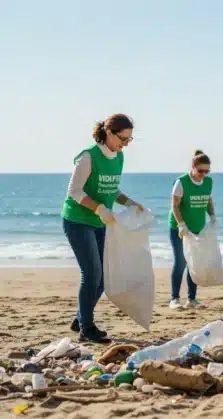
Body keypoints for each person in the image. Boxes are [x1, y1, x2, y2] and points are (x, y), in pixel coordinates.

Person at [62, 114, 144, 344]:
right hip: (78, 221)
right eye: (122, 139)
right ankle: (86, 329)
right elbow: (75, 191)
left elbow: (112, 189)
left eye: (129, 140)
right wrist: (99, 208)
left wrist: (129, 202)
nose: (125, 144)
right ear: (109, 132)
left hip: (100, 222)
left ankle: (80, 318)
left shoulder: (118, 157)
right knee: (92, 274)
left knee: (103, 278)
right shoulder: (89, 156)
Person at [168, 150, 216, 310]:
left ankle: (191, 299)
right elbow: (174, 206)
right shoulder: (182, 182)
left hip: (198, 228)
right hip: (179, 229)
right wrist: (181, 224)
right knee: (181, 262)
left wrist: (213, 217)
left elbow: (208, 201)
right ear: (193, 167)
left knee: (194, 263)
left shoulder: (208, 182)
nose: (203, 174)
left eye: (206, 171)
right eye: (200, 170)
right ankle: (174, 299)